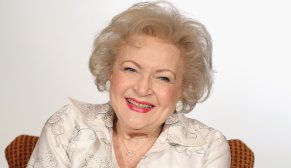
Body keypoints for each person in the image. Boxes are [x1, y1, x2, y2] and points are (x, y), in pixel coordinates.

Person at [27, 1, 231, 168]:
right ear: (110, 71)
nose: (142, 89)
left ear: (183, 89)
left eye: (163, 78)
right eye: (131, 69)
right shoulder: (67, 126)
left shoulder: (208, 148)